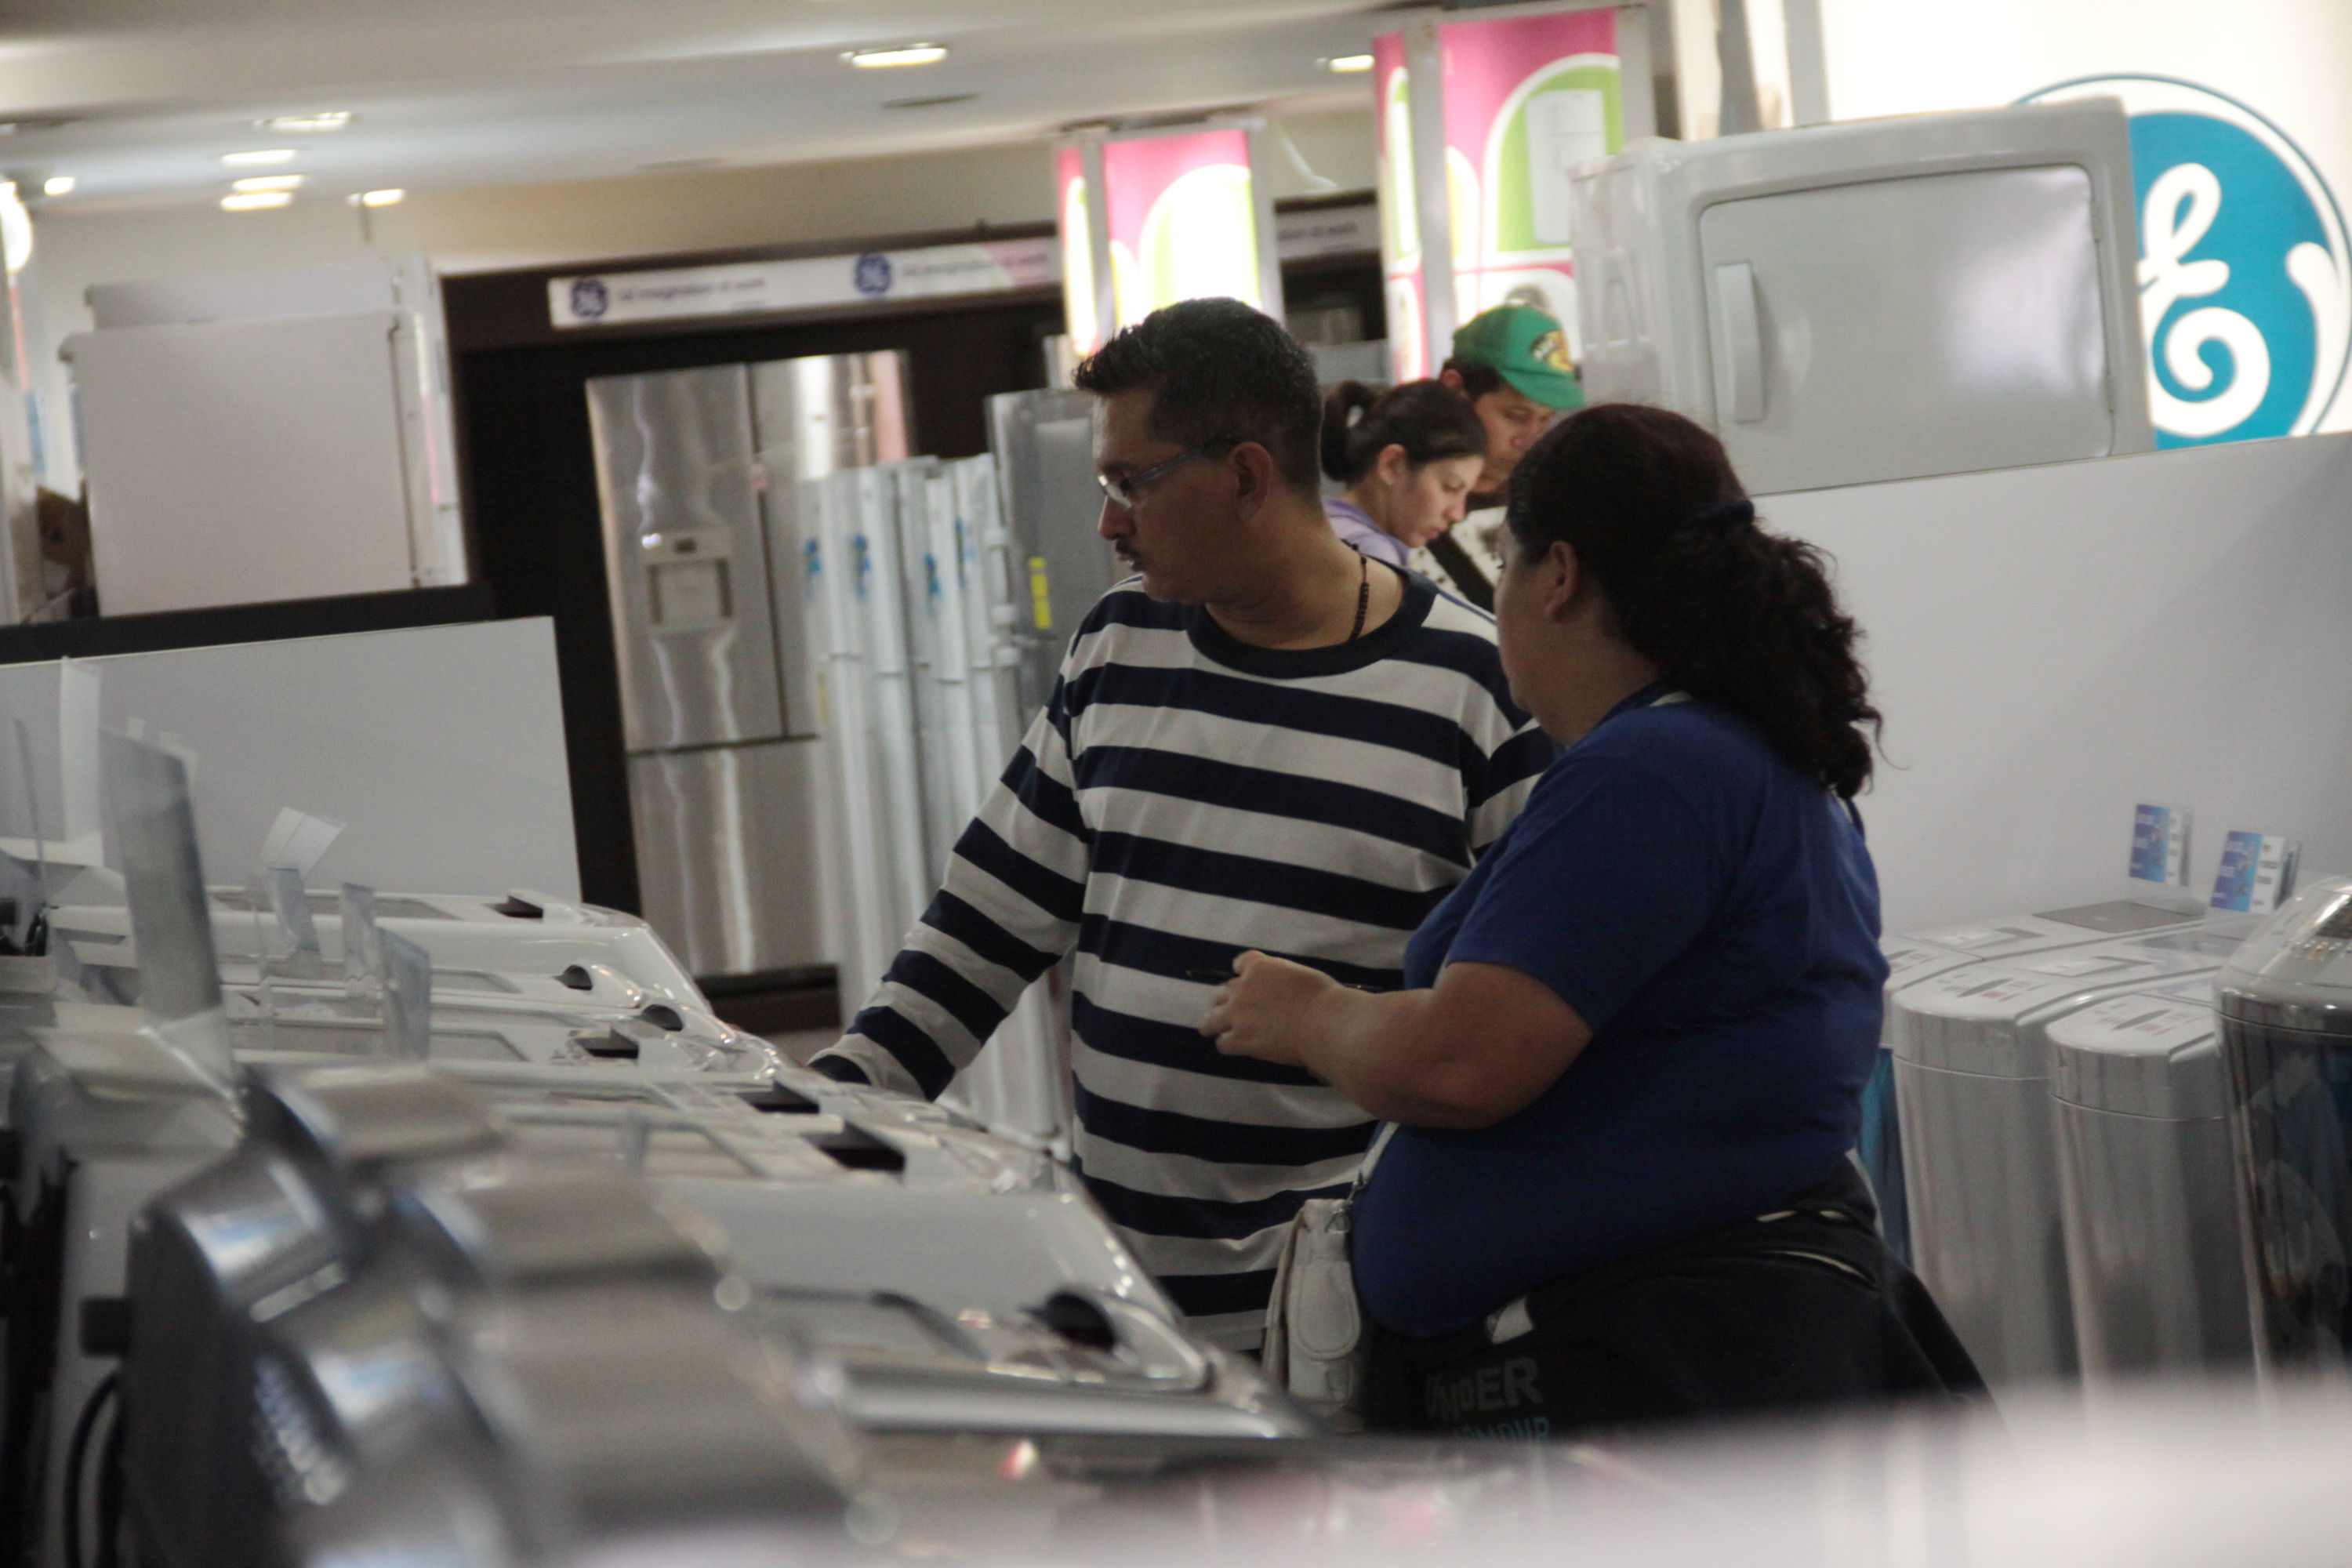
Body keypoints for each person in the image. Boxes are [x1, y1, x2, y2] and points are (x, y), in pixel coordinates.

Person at [1204, 402, 1984, 1433]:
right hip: (1663, 1356)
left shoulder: (1659, 770)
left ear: (1558, 576)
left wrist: (1311, 1013)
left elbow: (1463, 1064)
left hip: (1665, 1374)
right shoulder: (1704, 756)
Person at [808, 298, 1551, 1351]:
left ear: (1247, 476)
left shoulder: (1476, 689)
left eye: (1130, 482)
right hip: (1127, 1300)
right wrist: (831, 1107)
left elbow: (1516, 1035)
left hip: (1352, 1318)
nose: (1110, 522)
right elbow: (987, 924)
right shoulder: (1120, 643)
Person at [1423, 303, 1587, 610]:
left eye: (1545, 419)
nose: (1532, 437)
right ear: (1456, 389)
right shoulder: (1404, 501)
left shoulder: (1554, 501)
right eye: (1515, 415)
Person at [1319, 379, 1488, 572]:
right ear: (1392, 465)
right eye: (1450, 487)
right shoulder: (1373, 557)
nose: (1457, 514)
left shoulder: (1314, 525)